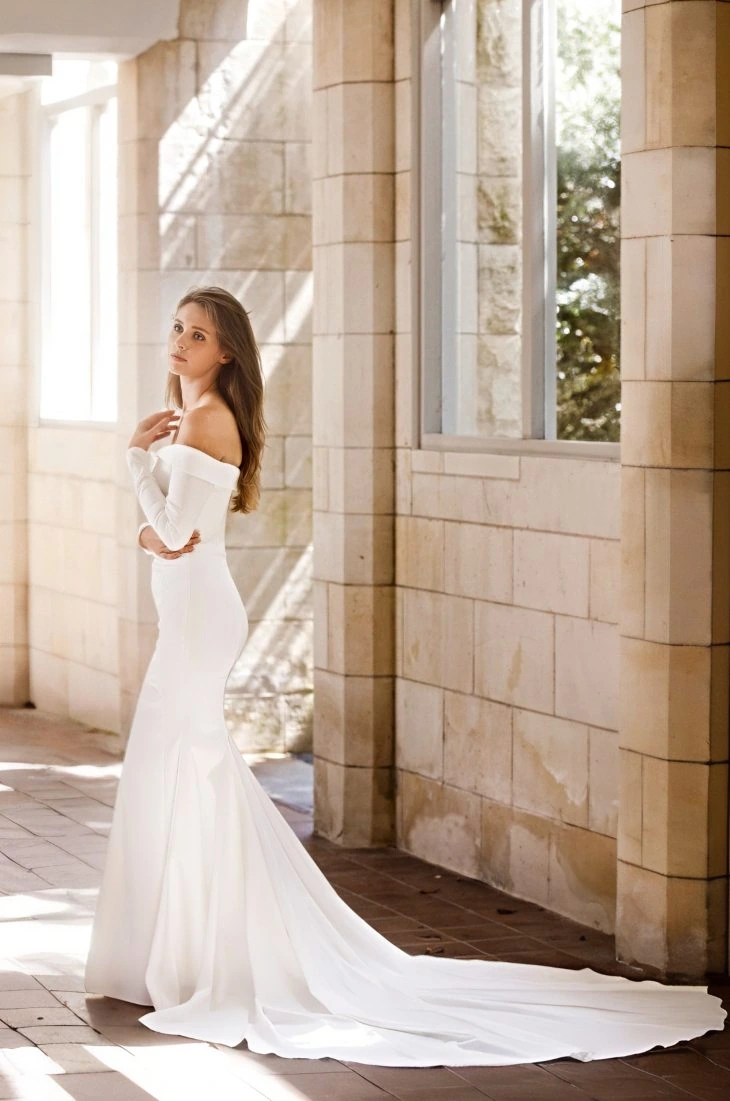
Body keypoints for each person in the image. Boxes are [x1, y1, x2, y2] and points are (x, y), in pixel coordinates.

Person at [84, 284, 726, 1066]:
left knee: (184, 765)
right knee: (179, 767)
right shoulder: (195, 419)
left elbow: (176, 534)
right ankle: (183, 946)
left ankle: (207, 952)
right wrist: (153, 493)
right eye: (178, 327)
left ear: (226, 352)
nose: (180, 341)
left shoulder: (210, 417)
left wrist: (134, 466)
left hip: (196, 620)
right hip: (192, 617)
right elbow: (175, 532)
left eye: (198, 333)